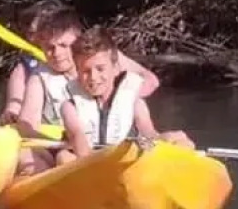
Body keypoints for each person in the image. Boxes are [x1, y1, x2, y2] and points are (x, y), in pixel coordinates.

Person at [0, 0, 160, 130]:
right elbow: (18, 110)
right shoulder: (29, 72)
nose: (57, 52)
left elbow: (151, 81)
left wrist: (118, 98)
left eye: (63, 44)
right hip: (59, 145)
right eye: (49, 45)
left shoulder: (104, 58)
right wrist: (12, 112)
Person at [57, 26, 193, 165]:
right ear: (77, 71)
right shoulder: (69, 107)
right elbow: (77, 136)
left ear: (115, 68)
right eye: (86, 71)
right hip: (88, 163)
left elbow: (149, 135)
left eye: (100, 69)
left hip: (123, 161)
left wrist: (165, 140)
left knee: (183, 142)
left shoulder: (135, 102)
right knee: (63, 158)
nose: (93, 77)